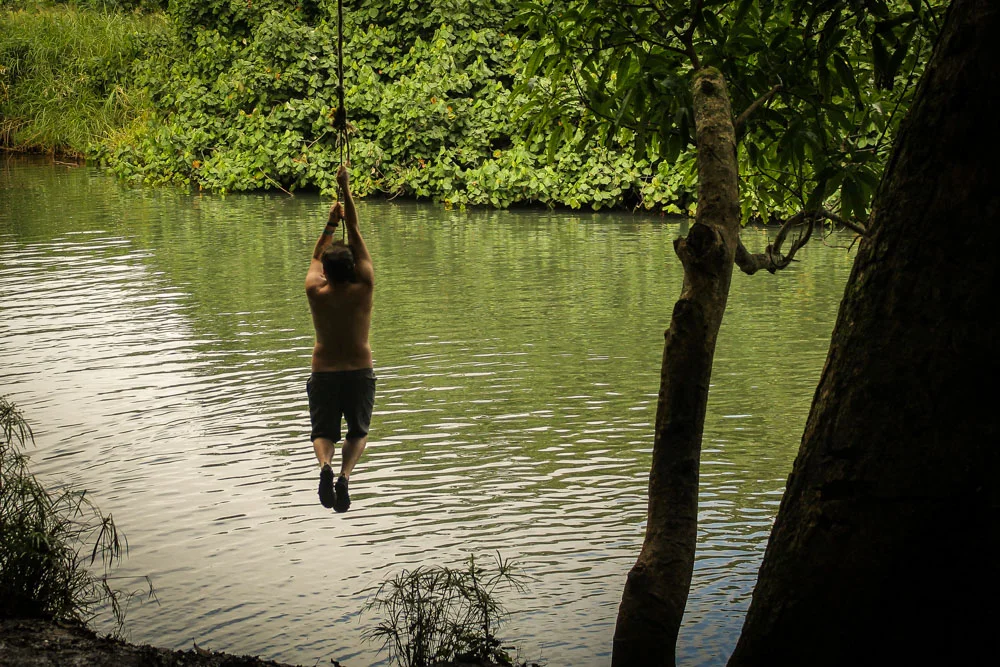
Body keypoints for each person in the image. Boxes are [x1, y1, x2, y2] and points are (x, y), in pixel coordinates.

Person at [305, 164, 375, 512]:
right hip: (359, 370)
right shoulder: (364, 288)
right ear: (353, 269)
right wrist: (346, 189)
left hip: (325, 370)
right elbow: (358, 231)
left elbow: (318, 255)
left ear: (326, 273)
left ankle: (325, 466)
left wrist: (331, 223)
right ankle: (346, 474)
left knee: (324, 430)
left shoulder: (315, 291)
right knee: (357, 432)